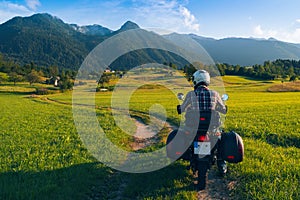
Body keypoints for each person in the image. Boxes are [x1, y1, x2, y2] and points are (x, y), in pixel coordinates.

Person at [177, 69, 228, 175]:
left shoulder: (191, 94)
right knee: (220, 138)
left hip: (194, 128)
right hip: (210, 128)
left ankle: (188, 156)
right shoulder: (214, 94)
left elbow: (181, 109)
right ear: (207, 80)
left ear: (195, 80)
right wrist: (219, 108)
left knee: (185, 137)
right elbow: (223, 109)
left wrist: (180, 107)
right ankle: (221, 161)